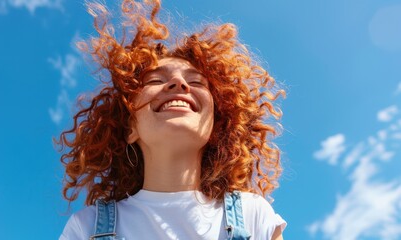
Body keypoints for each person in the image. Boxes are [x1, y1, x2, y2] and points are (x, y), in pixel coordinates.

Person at [58, 0, 287, 239]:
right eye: (155, 80)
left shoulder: (254, 216)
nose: (179, 84)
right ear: (130, 128)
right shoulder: (87, 227)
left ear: (215, 128)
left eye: (196, 82)